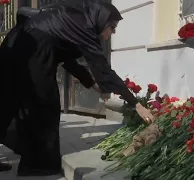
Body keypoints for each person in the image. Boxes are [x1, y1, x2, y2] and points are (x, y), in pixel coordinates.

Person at [0, 0, 154, 176]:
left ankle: (36, 161)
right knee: (43, 106)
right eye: (112, 27)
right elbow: (104, 70)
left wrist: (93, 85)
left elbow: (67, 60)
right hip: (29, 53)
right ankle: (36, 165)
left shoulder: (77, 23)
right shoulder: (83, 27)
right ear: (101, 20)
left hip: (20, 49)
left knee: (9, 105)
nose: (112, 33)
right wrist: (137, 104)